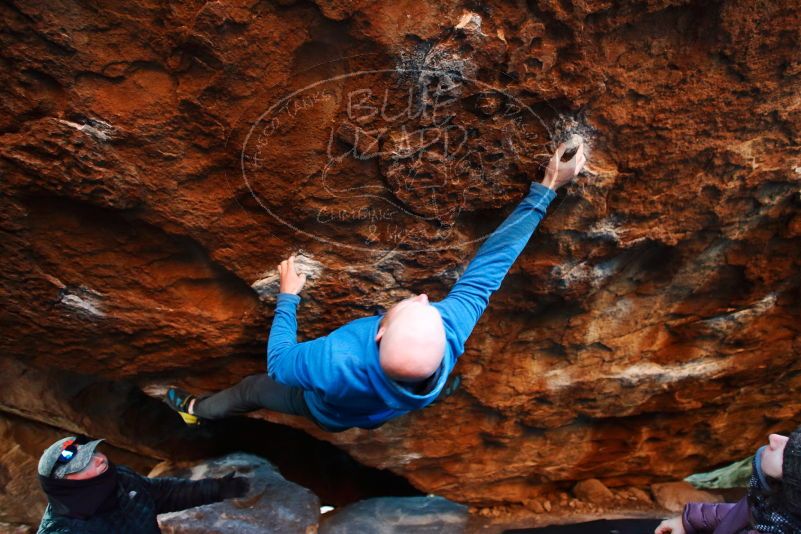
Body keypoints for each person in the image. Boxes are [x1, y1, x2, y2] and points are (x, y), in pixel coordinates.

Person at [165, 141, 587, 432]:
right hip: (380, 412)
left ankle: (194, 411)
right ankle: (441, 391)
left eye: (410, 305)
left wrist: (288, 296)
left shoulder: (334, 361)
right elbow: (492, 264)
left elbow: (278, 363)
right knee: (428, 391)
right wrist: (547, 187)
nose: (424, 297)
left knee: (252, 389)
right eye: (426, 306)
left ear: (379, 331)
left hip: (324, 409)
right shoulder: (451, 327)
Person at [37, 436, 249, 533]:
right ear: (67, 482)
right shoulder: (62, 529)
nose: (100, 459)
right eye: (85, 464)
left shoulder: (120, 478)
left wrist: (217, 488)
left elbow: (163, 494)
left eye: (94, 452)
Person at [655, 430, 801, 534]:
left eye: (790, 452)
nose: (774, 437)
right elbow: (750, 513)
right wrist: (689, 521)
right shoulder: (777, 509)